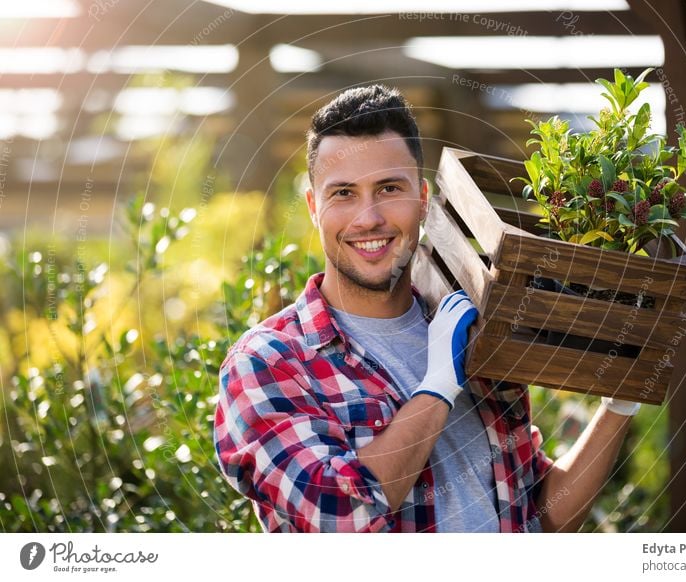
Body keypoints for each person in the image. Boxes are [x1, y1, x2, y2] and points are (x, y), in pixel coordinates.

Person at [213, 84, 641, 533]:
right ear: (313, 207)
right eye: (343, 194)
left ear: (422, 198)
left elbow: (540, 519)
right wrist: (437, 387)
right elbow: (340, 515)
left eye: (388, 188)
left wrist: (620, 404)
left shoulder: (473, 329)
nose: (368, 218)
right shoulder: (269, 362)